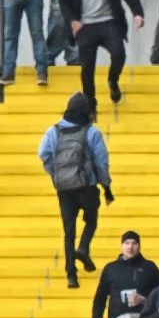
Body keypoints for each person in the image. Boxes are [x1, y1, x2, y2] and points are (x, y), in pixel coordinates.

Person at [59, 0, 142, 106]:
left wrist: (137, 12)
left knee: (119, 54)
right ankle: (90, 101)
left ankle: (113, 80)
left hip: (108, 21)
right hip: (85, 24)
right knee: (87, 67)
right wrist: (73, 20)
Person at [39, 91, 111, 288]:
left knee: (68, 231)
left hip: (64, 189)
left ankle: (71, 274)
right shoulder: (92, 132)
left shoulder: (53, 131)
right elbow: (101, 162)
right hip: (86, 186)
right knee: (91, 220)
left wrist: (55, 173)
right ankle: (84, 247)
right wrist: (106, 187)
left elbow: (43, 153)